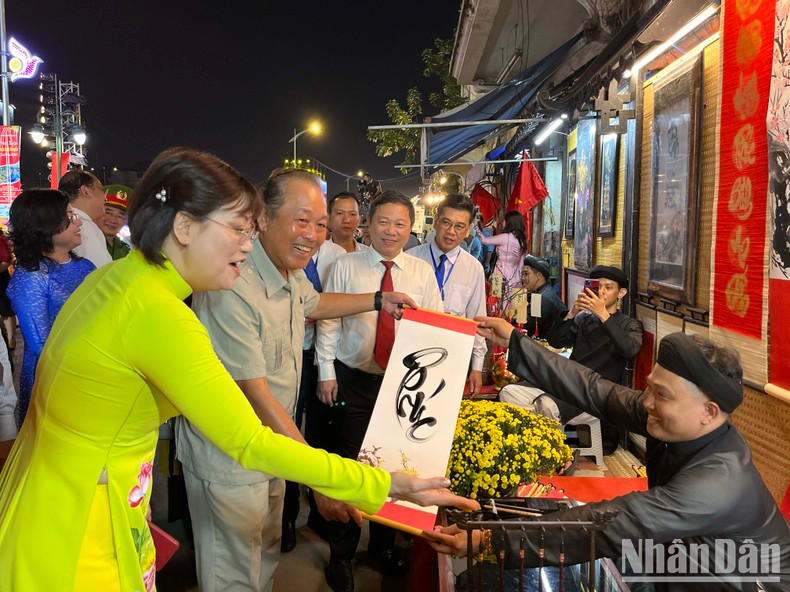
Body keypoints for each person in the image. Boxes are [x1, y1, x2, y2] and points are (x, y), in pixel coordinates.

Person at [0, 149, 477, 592]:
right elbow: (248, 437)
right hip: (79, 525)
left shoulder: (119, 279)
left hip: (60, 495)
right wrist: (380, 484)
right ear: (185, 227)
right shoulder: (160, 312)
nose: (246, 246)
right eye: (238, 229)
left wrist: (376, 300)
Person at [176, 168, 417, 591]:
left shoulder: (288, 270)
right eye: (302, 219)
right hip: (231, 461)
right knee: (232, 575)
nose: (314, 233)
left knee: (265, 557)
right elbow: (257, 397)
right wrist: (319, 477)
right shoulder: (233, 285)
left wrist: (379, 300)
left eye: (321, 224)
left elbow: (314, 302)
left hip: (273, 449)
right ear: (264, 218)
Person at [430, 319, 790, 592]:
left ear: (708, 411)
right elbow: (596, 391)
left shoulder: (717, 483)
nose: (647, 402)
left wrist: (492, 539)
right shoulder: (682, 421)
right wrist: (516, 343)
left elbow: (615, 522)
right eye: (648, 388)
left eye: (661, 395)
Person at [316, 190, 443, 591]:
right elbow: (328, 321)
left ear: (410, 227)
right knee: (351, 466)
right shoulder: (345, 265)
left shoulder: (422, 273)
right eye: (384, 222)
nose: (391, 231)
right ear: (369, 223)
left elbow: (435, 326)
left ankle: (383, 546)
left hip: (403, 385)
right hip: (352, 378)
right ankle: (342, 556)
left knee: (395, 466)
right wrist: (324, 371)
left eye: (400, 223)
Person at [6, 189, 96, 428]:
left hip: (92, 371)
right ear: (45, 223)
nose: (77, 222)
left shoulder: (86, 266)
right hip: (54, 379)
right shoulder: (31, 277)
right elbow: (41, 346)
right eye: (69, 216)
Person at [544, 264, 642, 452]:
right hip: (569, 383)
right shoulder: (584, 320)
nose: (602, 292)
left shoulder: (630, 325)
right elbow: (555, 341)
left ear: (621, 293)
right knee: (513, 391)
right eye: (599, 287)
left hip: (596, 393)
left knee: (546, 406)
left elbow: (629, 349)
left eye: (608, 287)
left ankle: (552, 450)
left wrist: (604, 315)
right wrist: (572, 313)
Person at [407, 194, 487, 396]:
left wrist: (476, 366)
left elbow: (477, 318)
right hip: (412, 353)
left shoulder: (473, 268)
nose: (451, 232)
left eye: (459, 226)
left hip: (453, 354)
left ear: (468, 230)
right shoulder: (410, 260)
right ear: (436, 221)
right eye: (446, 223)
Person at [58, 170, 113, 268]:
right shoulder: (82, 226)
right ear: (85, 191)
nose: (106, 198)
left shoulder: (61, 225)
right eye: (102, 190)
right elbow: (101, 271)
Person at [477, 210, 527, 308]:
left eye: (504, 220)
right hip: (515, 277)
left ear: (509, 222)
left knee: (496, 303)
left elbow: (483, 240)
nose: (502, 222)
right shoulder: (522, 241)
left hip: (500, 275)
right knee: (512, 306)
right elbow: (522, 263)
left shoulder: (506, 237)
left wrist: (475, 227)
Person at [520, 254, 566, 338]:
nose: (523, 278)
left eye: (526, 274)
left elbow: (524, 324)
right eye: (522, 274)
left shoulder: (543, 298)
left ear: (539, 275)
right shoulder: (541, 293)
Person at [100, 189, 131, 260]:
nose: (113, 220)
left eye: (120, 216)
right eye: (108, 213)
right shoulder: (85, 245)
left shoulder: (124, 249)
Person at [0, 229, 16, 353]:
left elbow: (7, 260)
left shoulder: (0, 239)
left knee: (6, 309)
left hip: (1, 278)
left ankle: (11, 340)